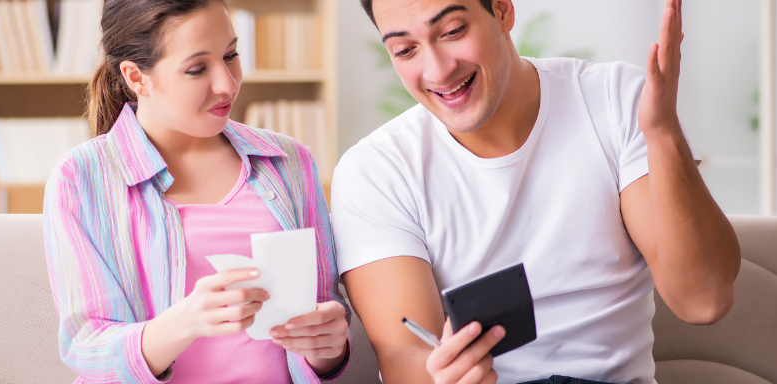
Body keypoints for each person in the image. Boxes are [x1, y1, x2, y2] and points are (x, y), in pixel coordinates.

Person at [330, 0, 740, 383]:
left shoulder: (614, 100)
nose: (438, 71)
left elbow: (703, 301)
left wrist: (663, 136)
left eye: (453, 30)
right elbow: (407, 358)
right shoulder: (376, 171)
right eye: (405, 51)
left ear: (503, 11)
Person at [41, 0, 350, 382]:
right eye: (197, 69)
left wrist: (329, 347)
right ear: (136, 77)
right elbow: (86, 350)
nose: (227, 83)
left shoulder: (289, 162)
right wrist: (185, 322)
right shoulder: (82, 179)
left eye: (231, 55)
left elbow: (323, 316)